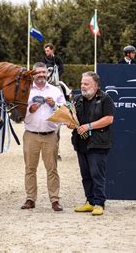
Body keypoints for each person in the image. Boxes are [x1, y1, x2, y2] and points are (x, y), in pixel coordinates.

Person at [21, 62, 66, 211]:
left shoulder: (55, 90)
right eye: (38, 72)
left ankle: (54, 200)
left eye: (43, 72)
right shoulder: (26, 90)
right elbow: (19, 113)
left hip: (50, 135)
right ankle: (30, 199)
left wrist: (54, 105)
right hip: (31, 135)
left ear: (47, 73)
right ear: (33, 74)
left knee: (52, 169)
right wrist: (30, 109)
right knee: (30, 169)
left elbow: (64, 112)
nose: (41, 75)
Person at [68, 71, 115, 216]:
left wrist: (89, 126)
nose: (82, 86)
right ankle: (89, 202)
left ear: (95, 86)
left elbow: (109, 119)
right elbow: (73, 119)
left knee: (97, 175)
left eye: (86, 83)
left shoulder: (106, 99)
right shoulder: (77, 99)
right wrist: (70, 124)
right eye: (82, 83)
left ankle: (99, 203)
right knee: (86, 175)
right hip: (81, 144)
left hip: (98, 144)